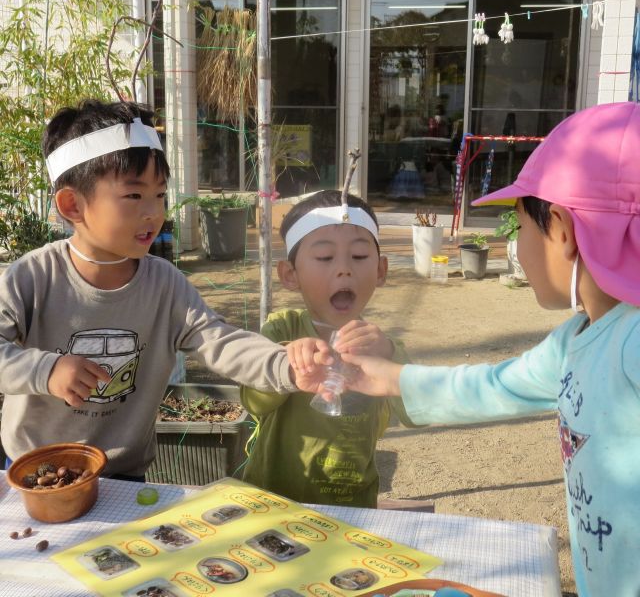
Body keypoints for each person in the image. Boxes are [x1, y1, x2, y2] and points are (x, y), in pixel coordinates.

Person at [292, 102, 640, 597]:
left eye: (518, 229)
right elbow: (490, 387)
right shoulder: (577, 339)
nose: (514, 246)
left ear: (561, 231)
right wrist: (385, 377)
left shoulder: (632, 338)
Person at [0, 99, 321, 481]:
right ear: (72, 204)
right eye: (134, 196)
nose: (154, 213)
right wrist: (46, 369)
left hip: (125, 474)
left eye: (160, 195)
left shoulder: (165, 286)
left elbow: (220, 341)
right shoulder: (31, 278)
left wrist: (289, 366)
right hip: (35, 472)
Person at [240, 189, 415, 507]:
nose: (344, 269)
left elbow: (417, 415)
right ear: (290, 275)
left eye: (360, 257)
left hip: (352, 506)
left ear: (381, 270)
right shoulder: (282, 328)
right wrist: (290, 365)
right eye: (324, 258)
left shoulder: (380, 347)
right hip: (273, 500)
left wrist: (391, 354)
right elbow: (253, 402)